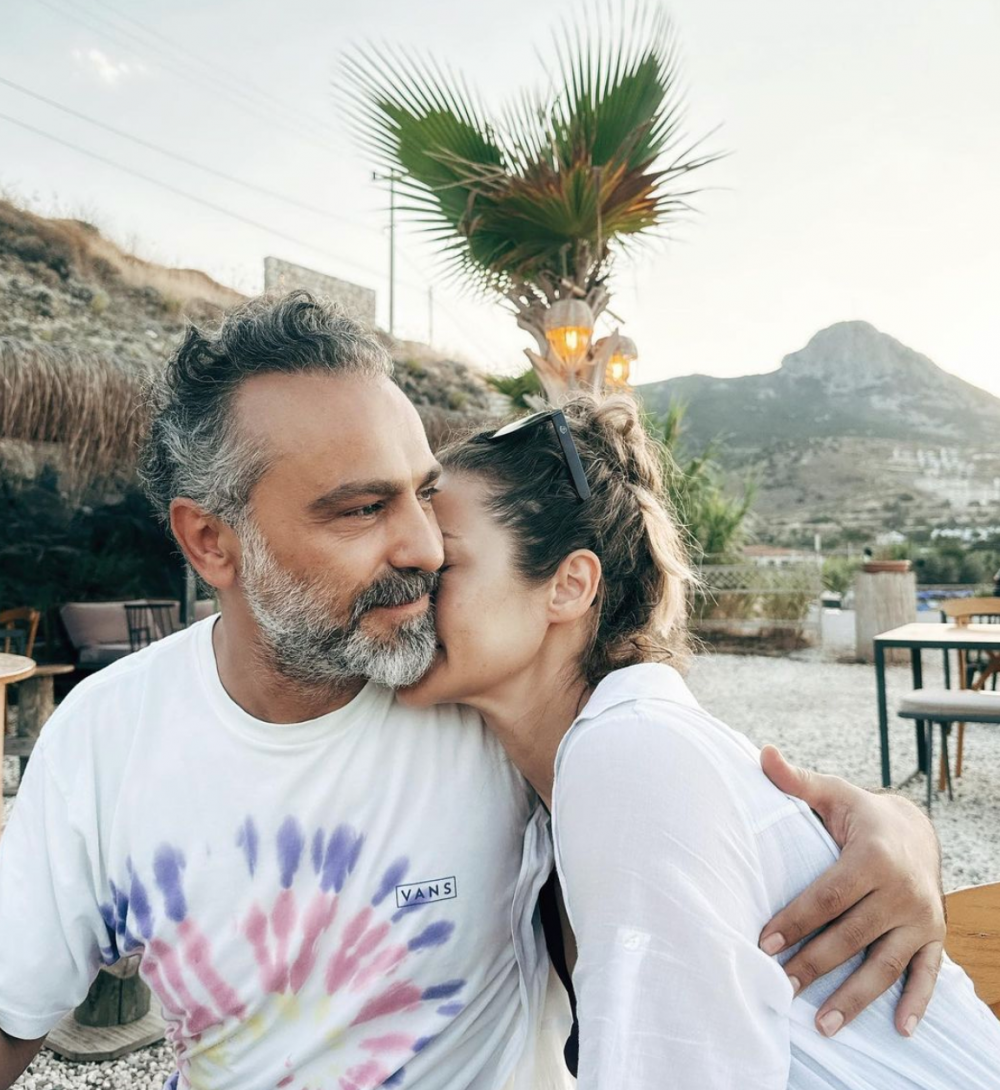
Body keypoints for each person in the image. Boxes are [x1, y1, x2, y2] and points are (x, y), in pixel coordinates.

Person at [0, 295, 946, 1090]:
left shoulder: (473, 691)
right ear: (212, 541)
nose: (421, 548)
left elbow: (708, 792)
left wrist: (896, 829)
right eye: (363, 508)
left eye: (424, 494)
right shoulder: (105, 739)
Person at [399, 394, 1000, 1089]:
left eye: (442, 566)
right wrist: (903, 818)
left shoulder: (628, 754)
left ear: (569, 585)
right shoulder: (578, 758)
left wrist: (908, 827)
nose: (406, 592)